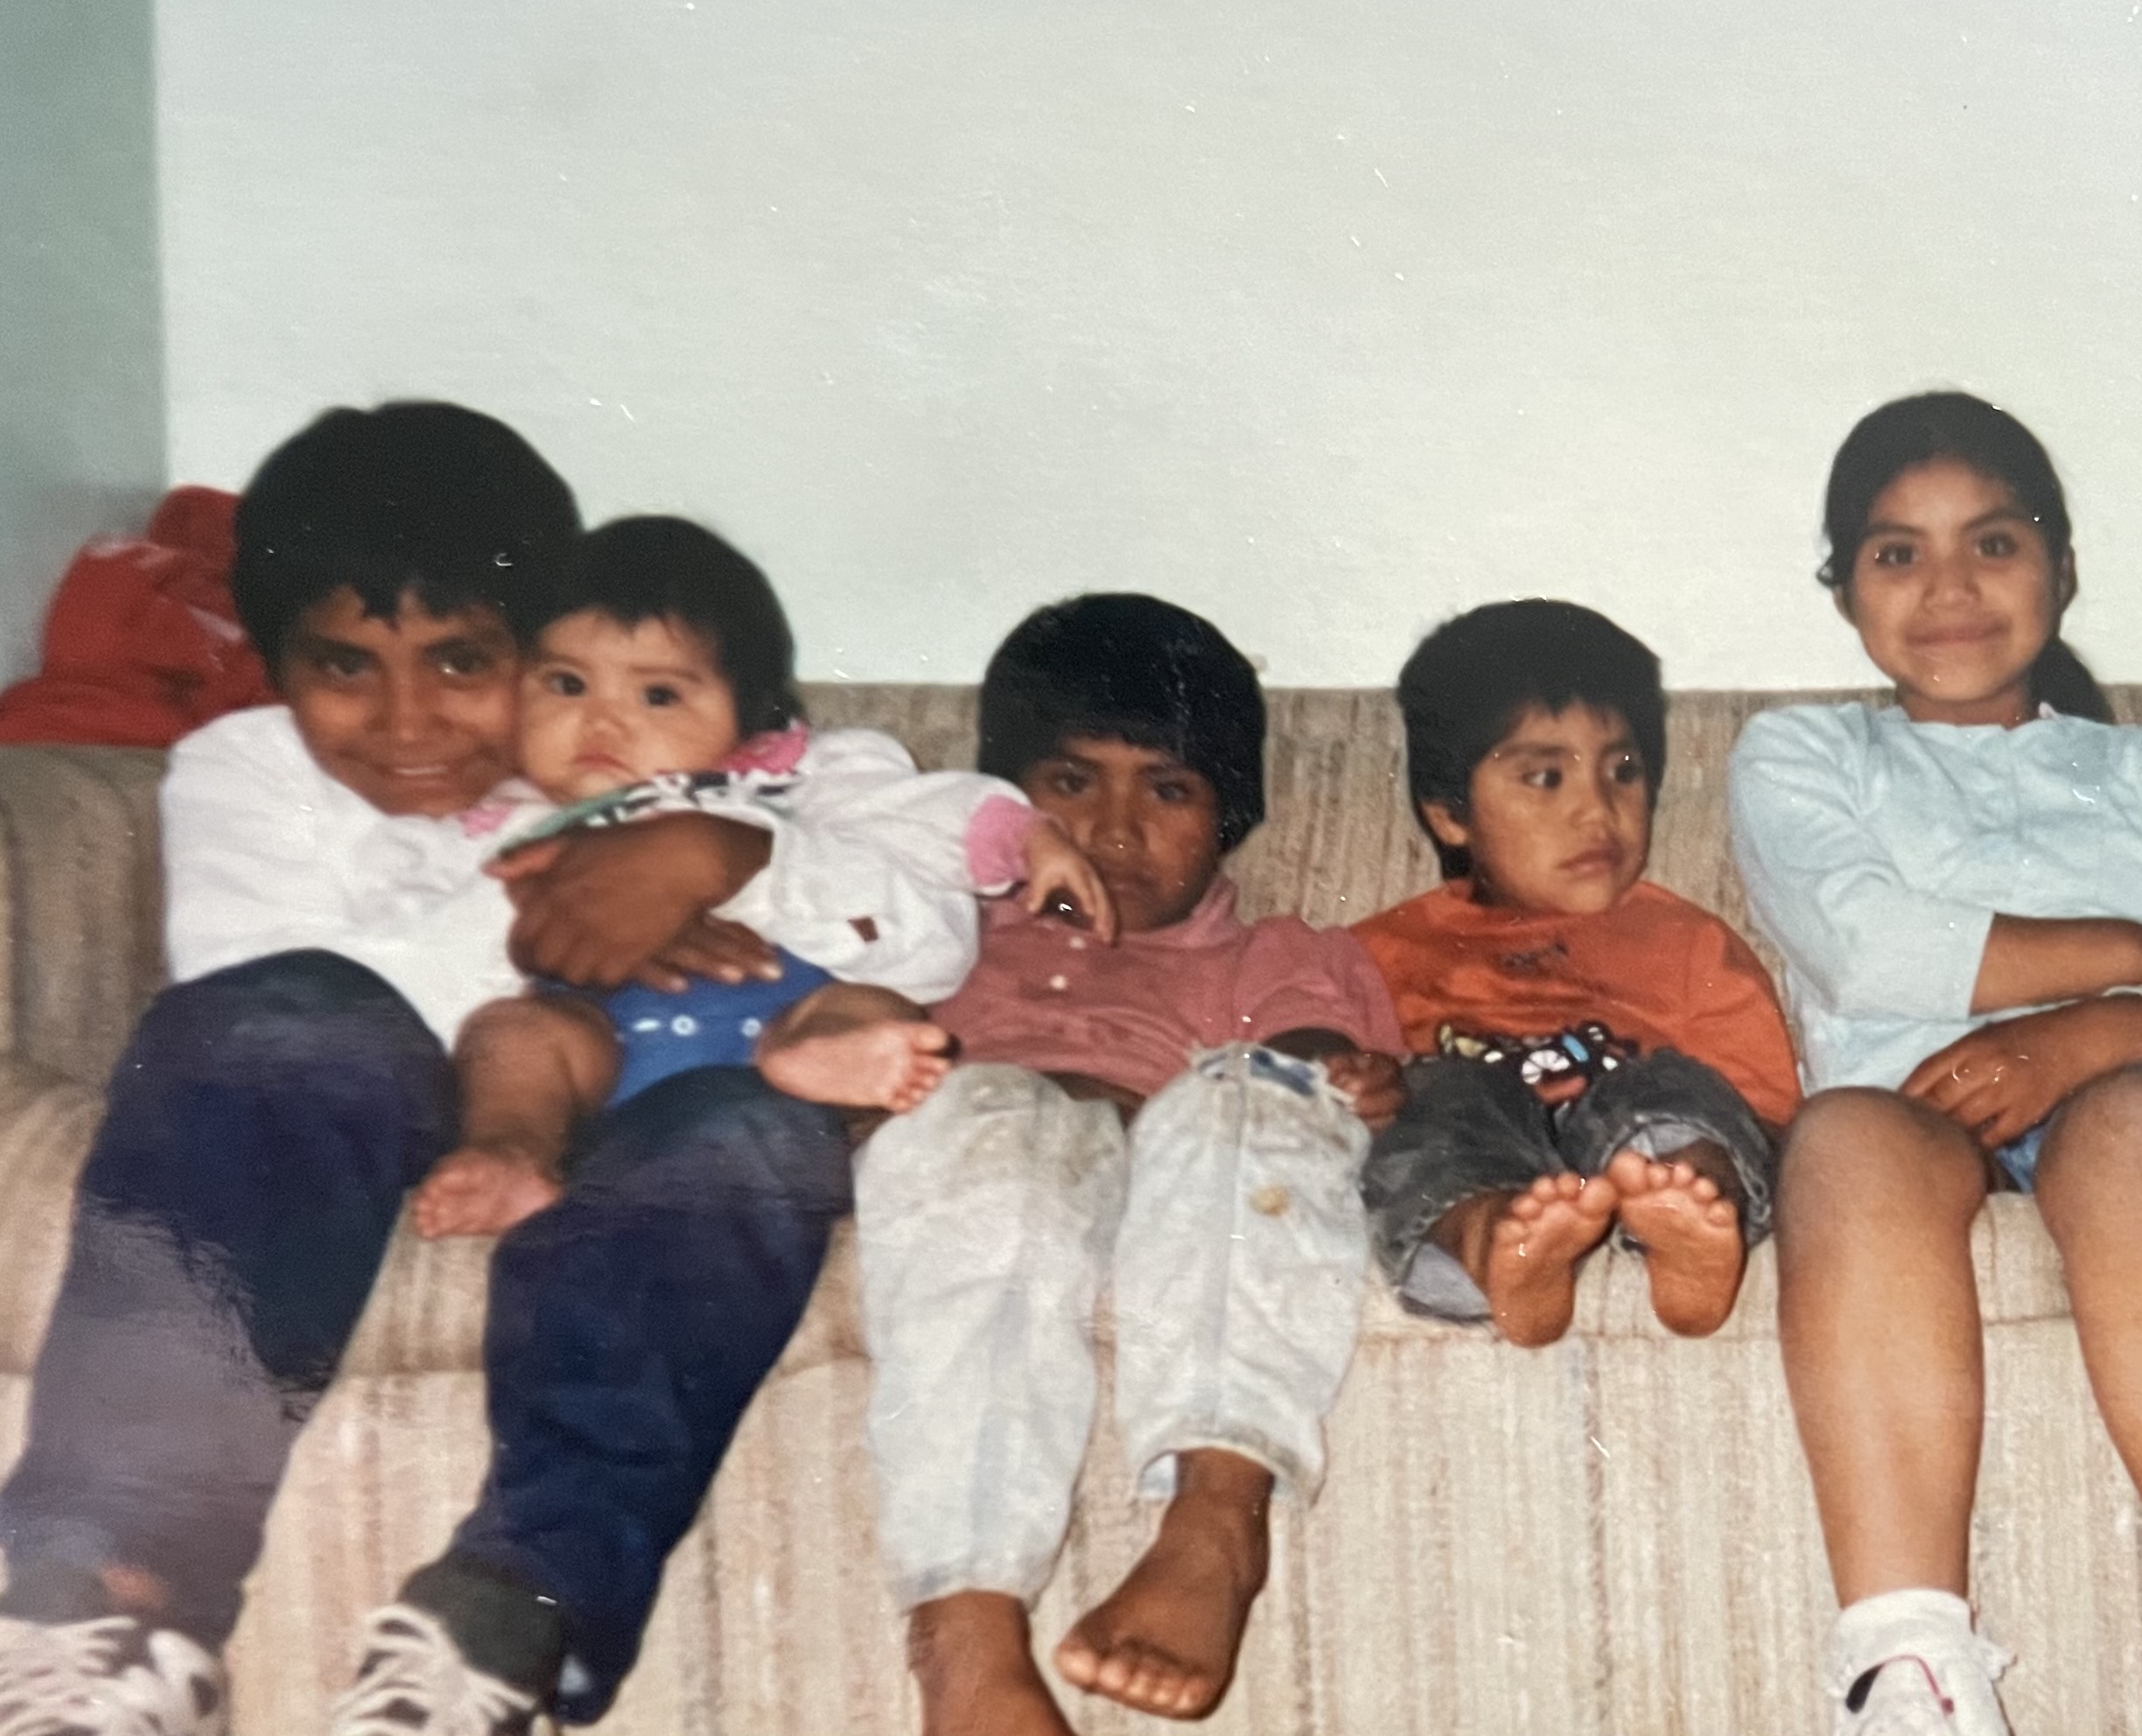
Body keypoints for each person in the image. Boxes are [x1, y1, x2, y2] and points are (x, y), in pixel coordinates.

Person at [0, 401, 983, 1736]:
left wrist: (723, 857)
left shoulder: (684, 762)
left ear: (540, 644)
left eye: (465, 664)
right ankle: (102, 1612)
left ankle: (498, 1627)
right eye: (344, 666)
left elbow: (927, 920)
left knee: (750, 1142)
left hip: (669, 1124)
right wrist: (579, 916)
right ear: (280, 667)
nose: (407, 721)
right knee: (283, 1023)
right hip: (374, 1093)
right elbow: (269, 994)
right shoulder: (250, 774)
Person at [1727, 391, 2142, 1736]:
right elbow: (1869, 947)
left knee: (2122, 1123)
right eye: (1897, 554)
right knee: (1836, 1140)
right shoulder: (1801, 751)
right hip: (1916, 1111)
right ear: (1844, 592)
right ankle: (1909, 1673)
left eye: (1993, 544)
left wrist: (2086, 1035)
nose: (1948, 587)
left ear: (2060, 568)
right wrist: (2125, 945)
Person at [854, 594, 1409, 1736]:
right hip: (988, 1168)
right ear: (1010, 805)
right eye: (1071, 784)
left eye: (1167, 789)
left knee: (1258, 1090)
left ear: (1228, 815)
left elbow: (1315, 1058)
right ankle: (967, 1636)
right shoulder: (935, 931)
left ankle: (1214, 1522)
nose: (1113, 828)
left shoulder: (1279, 953)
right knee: (996, 1116)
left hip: (1183, 1182)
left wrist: (1334, 1074)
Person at [406, 514, 1107, 1241]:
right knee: (513, 1032)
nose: (601, 723)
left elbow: (927, 817)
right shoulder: (501, 822)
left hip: (786, 1024)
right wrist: (530, 925)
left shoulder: (796, 778)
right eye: (566, 684)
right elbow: (427, 961)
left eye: (657, 696)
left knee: (869, 1004)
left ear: (749, 715)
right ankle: (513, 1152)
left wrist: (1027, 836)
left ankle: (818, 1057)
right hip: (593, 1052)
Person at [1354, 599, 1797, 1347]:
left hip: (1639, 1154)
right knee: (1448, 1095)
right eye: (1544, 777)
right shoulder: (1377, 953)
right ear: (1450, 816)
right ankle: (1494, 1241)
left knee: (1670, 1084)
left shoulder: (1685, 942)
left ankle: (1693, 1227)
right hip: (1477, 1155)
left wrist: (1698, 1161)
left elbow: (1768, 1114)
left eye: (1622, 771)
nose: (1598, 810)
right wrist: (1360, 1088)